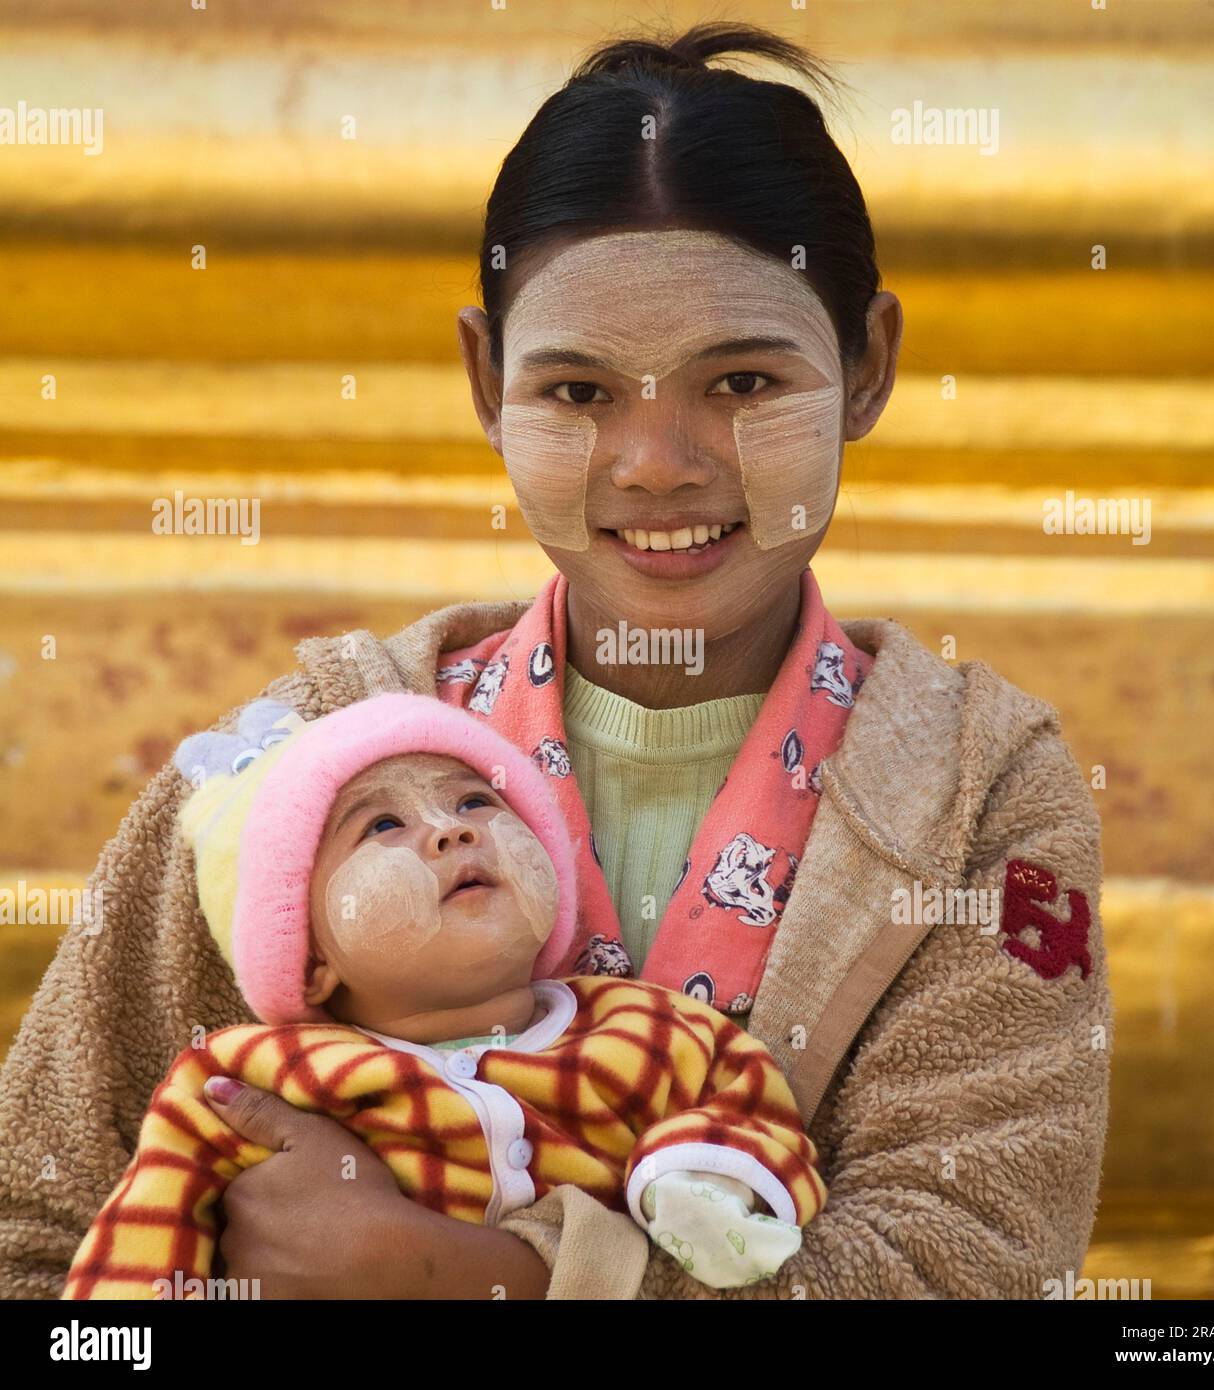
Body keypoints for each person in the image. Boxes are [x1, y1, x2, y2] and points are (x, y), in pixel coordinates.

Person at [0, 22, 1112, 1300]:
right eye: (579, 394)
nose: (657, 463)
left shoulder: (972, 792)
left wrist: (468, 1274)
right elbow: (37, 1232)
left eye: (744, 382)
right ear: (485, 380)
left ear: (867, 366)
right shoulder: (309, 760)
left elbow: (970, 1270)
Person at [63, 694, 822, 1297]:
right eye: (384, 824)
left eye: (473, 803)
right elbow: (139, 1249)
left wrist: (695, 1177)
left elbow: (750, 1104)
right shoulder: (245, 1080)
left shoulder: (650, 1030)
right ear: (313, 959)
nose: (451, 833)